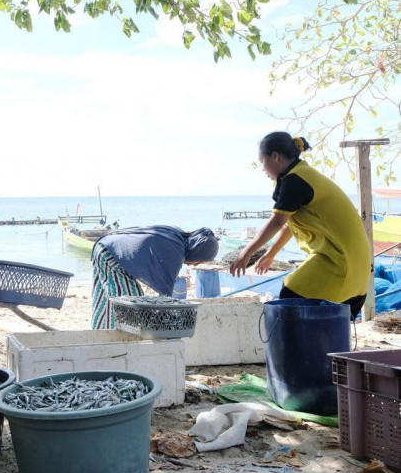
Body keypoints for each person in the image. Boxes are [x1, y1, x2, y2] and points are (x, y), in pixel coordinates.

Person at [229, 131, 371, 318]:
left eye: (262, 161)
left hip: (339, 265)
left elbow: (278, 221)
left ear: (275, 156)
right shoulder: (303, 174)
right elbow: (289, 225)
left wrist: (245, 253)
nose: (262, 168)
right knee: (328, 334)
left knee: (290, 296)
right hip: (358, 275)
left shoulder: (296, 180)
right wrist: (270, 254)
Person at [91, 226, 219, 329]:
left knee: (107, 300)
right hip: (110, 253)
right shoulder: (176, 251)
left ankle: (100, 333)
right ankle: (122, 340)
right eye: (199, 261)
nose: (194, 264)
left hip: (105, 246)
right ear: (198, 251)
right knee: (131, 303)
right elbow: (165, 294)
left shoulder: (177, 237)